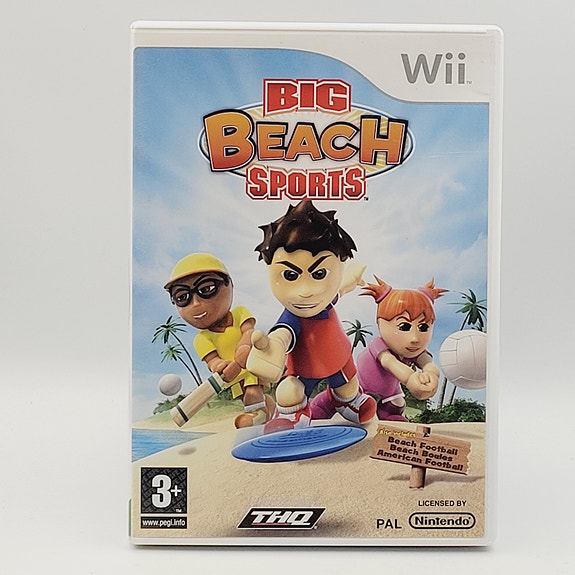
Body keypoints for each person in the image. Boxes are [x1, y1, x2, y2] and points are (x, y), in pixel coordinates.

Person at [247, 200, 376, 431]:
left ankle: (346, 400)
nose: (306, 291)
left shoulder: (326, 300)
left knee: (347, 385)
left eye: (319, 274)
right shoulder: (293, 316)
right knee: (289, 392)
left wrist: (353, 277)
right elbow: (281, 335)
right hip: (304, 370)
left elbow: (340, 289)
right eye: (290, 275)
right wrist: (270, 349)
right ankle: (292, 415)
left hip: (338, 361)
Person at [164, 253, 274, 428]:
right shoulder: (202, 339)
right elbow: (212, 361)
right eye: (182, 297)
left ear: (229, 284)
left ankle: (257, 418)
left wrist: (244, 347)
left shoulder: (239, 313)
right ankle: (268, 409)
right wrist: (221, 366)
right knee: (247, 397)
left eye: (207, 288)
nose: (196, 303)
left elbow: (248, 331)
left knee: (253, 393)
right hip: (233, 376)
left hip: (253, 366)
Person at [357, 276, 446, 421]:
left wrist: (431, 374)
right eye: (404, 326)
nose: (415, 338)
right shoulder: (378, 344)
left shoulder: (412, 350)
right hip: (362, 386)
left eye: (423, 327)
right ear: (380, 323)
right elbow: (389, 362)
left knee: (397, 405)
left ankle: (389, 416)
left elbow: (426, 361)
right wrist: (411, 378)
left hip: (390, 391)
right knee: (361, 405)